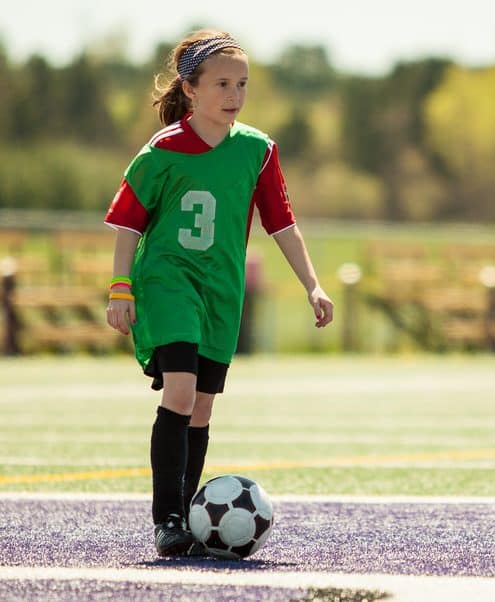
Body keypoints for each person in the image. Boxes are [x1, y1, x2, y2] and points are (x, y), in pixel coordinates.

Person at [103, 29, 334, 557]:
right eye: (222, 83)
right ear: (190, 89)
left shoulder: (257, 150)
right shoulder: (160, 153)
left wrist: (313, 284)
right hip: (167, 283)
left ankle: (187, 517)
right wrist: (121, 288)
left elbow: (283, 226)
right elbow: (127, 227)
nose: (234, 94)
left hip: (221, 292)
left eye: (242, 84)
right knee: (180, 391)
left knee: (202, 407)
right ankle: (166, 521)